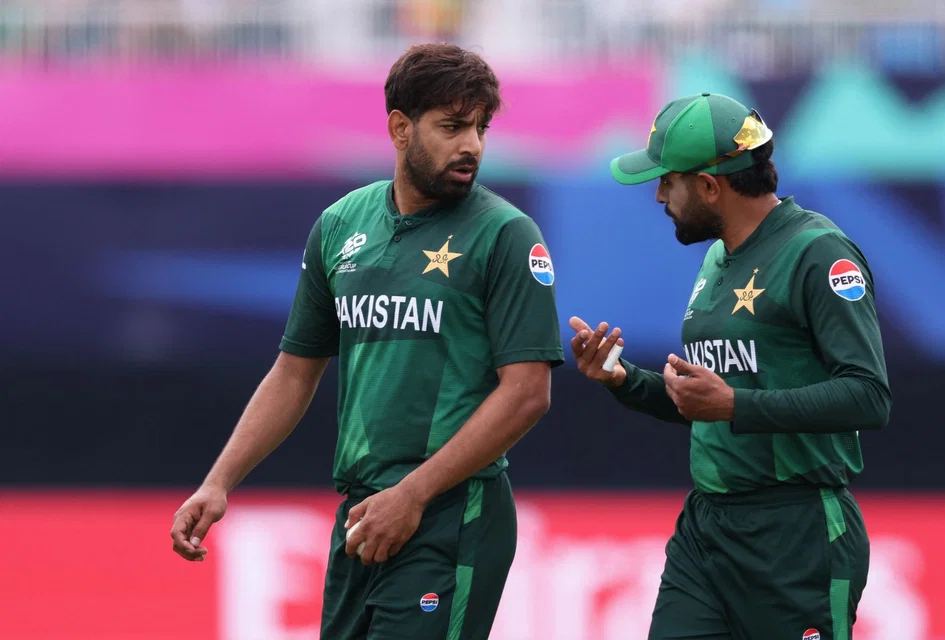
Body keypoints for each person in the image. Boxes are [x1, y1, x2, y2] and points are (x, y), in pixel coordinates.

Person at [169, 43, 564, 640]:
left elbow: (528, 394)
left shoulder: (507, 234)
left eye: (481, 127)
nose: (473, 146)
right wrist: (219, 481)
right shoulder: (340, 225)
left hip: (452, 512)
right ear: (399, 129)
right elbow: (294, 370)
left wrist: (412, 494)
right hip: (362, 513)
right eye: (452, 126)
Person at [568, 93, 891, 640]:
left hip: (797, 532)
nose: (658, 196)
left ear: (710, 185)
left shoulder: (818, 253)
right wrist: (624, 380)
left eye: (667, 181)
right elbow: (709, 403)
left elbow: (868, 397)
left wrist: (736, 405)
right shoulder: (720, 255)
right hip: (707, 530)